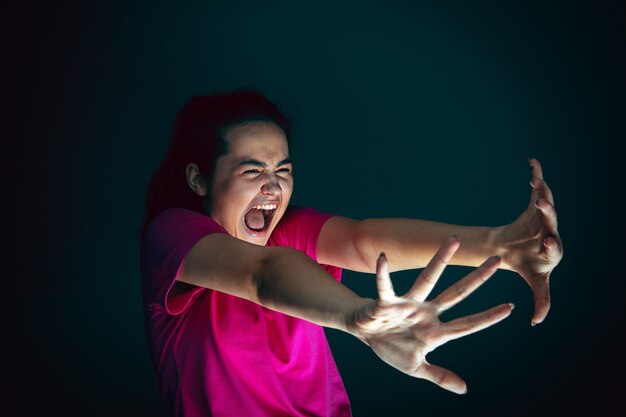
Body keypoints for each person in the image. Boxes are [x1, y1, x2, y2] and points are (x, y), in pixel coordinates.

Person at [140, 90, 563, 417]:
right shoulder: (172, 235)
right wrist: (361, 320)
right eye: (253, 171)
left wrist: (503, 246)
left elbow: (362, 242)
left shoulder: (288, 230)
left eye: (283, 171)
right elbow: (262, 275)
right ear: (199, 179)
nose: (273, 188)